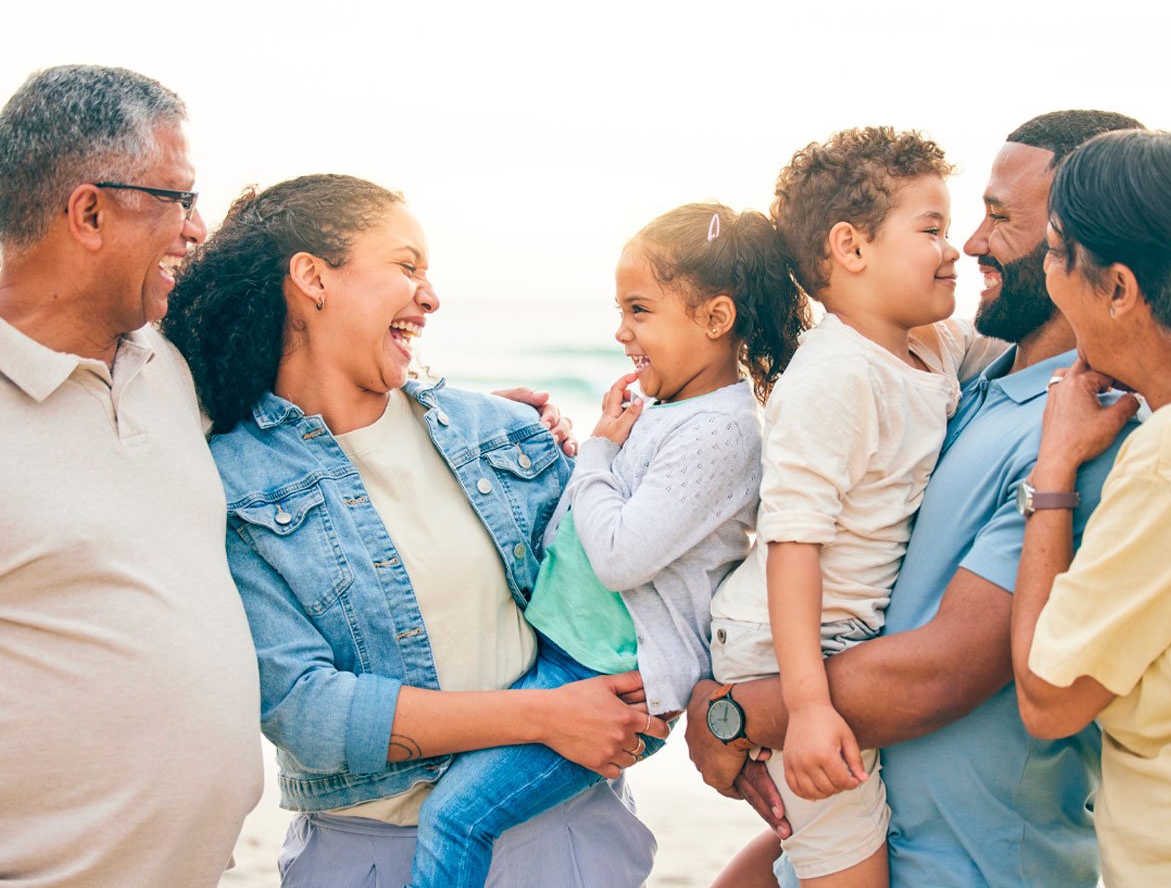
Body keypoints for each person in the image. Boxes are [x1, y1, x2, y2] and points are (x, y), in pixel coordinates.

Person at [161, 173, 675, 888]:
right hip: (370, 856)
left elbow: (615, 595)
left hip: (565, 838)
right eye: (406, 266)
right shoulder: (230, 482)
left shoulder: (502, 434)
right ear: (312, 278)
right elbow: (306, 709)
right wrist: (543, 717)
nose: (430, 296)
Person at [685, 109, 1144, 888]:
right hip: (863, 795)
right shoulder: (967, 381)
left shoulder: (1086, 434)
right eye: (943, 225)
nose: (967, 245)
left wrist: (731, 715)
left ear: (1084, 249)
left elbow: (944, 671)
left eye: (999, 220)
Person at [408, 202, 809, 887]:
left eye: (640, 310)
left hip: (611, 684)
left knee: (455, 817)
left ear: (715, 319)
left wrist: (594, 453)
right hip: (568, 657)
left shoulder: (723, 430)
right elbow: (591, 514)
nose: (621, 331)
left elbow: (620, 554)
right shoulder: (665, 408)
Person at [707, 127, 1006, 886]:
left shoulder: (928, 344)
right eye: (932, 229)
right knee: (849, 871)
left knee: (819, 853)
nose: (956, 249)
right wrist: (805, 707)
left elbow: (1022, 345)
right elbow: (793, 543)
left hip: (839, 636)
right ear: (850, 247)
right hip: (790, 644)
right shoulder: (836, 378)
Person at [0, 65, 264, 887]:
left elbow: (301, 445)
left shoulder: (169, 369)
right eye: (178, 199)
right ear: (89, 211)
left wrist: (450, 432)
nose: (197, 228)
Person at [1010, 129, 1171, 886]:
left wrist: (1053, 472)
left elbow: (1049, 697)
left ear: (1119, 288)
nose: (1043, 272)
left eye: (1056, 252)